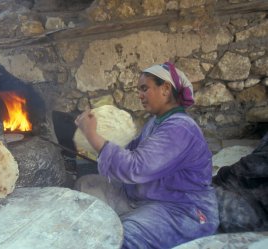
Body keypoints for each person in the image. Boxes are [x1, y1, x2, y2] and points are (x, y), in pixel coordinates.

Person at [74, 62, 219, 249]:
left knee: (124, 237)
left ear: (165, 89)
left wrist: (92, 136)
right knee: (85, 185)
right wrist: (100, 138)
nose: (139, 95)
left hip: (181, 208)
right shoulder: (156, 122)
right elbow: (132, 150)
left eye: (144, 88)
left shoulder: (181, 128)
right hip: (143, 194)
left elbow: (136, 167)